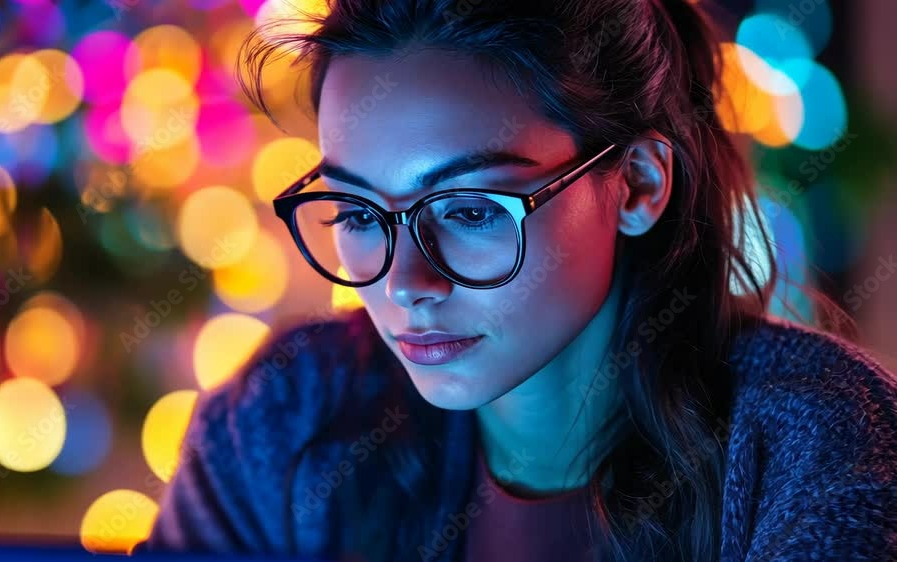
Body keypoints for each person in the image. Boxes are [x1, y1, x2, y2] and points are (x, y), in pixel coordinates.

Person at [141, 1, 897, 560]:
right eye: (359, 210)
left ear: (637, 183)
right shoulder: (285, 418)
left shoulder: (819, 444)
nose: (406, 283)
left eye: (470, 209)